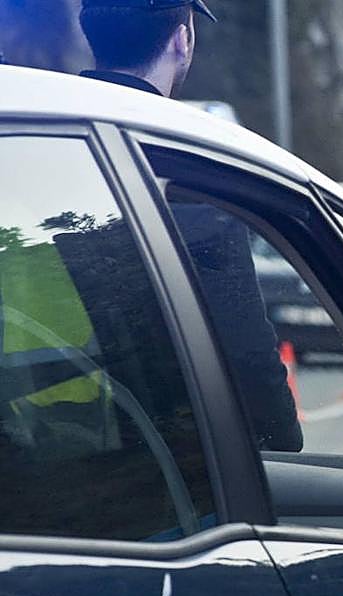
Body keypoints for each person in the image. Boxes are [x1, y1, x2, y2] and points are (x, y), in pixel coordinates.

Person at [78, 0, 303, 451]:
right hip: (142, 475)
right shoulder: (184, 175)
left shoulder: (43, 135)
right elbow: (247, 360)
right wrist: (282, 439)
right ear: (182, 41)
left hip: (40, 441)